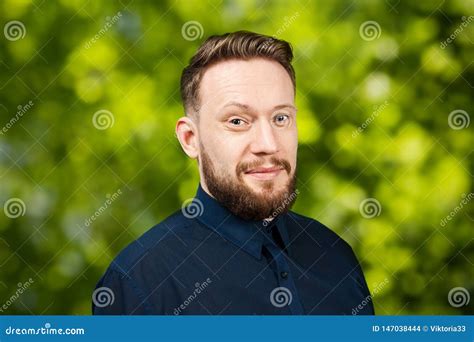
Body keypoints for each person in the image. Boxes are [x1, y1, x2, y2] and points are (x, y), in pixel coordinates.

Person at [93, 30, 374, 315]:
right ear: (190, 139)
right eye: (237, 121)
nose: (268, 144)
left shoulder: (335, 257)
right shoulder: (141, 281)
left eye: (281, 118)